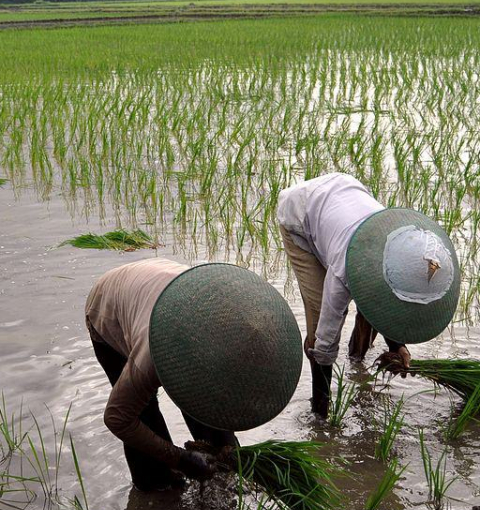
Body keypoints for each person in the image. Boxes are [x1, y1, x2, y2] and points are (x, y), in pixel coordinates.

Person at [85, 258, 303, 491]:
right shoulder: (151, 352)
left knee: (219, 439)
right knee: (147, 426)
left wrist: (228, 451)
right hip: (109, 306)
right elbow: (118, 418)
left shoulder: (235, 321)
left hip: (162, 281)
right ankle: (158, 491)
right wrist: (179, 458)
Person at [277, 172, 460, 417]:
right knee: (320, 317)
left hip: (346, 192)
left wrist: (398, 346)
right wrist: (323, 421)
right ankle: (318, 408)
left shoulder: (403, 244)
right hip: (300, 214)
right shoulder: (343, 273)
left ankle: (356, 358)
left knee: (372, 304)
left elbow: (390, 299)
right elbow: (326, 341)